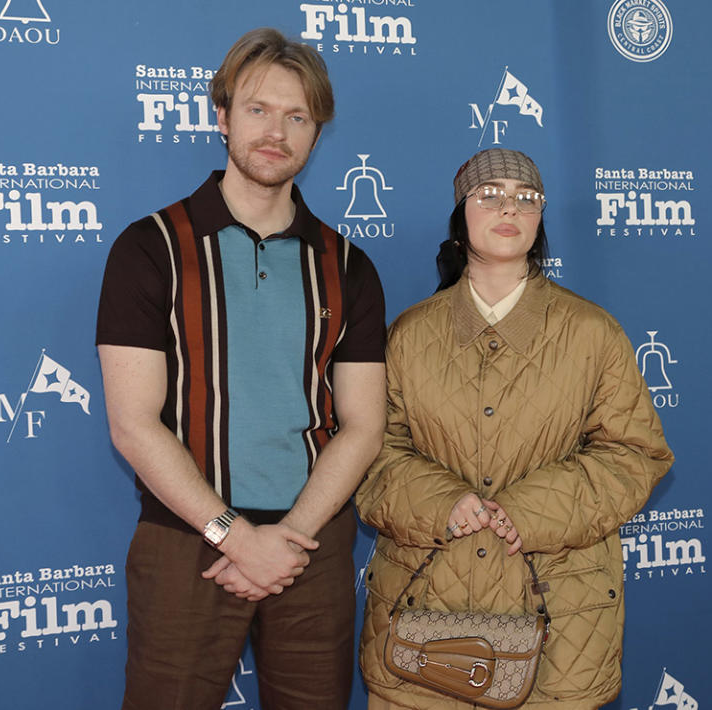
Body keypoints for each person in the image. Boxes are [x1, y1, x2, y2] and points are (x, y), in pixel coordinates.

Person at [96, 28, 387, 710]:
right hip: (184, 543)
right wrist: (233, 535)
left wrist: (289, 539)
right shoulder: (151, 248)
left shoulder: (348, 267)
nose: (276, 132)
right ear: (221, 116)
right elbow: (133, 425)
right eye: (258, 109)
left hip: (310, 549)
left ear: (316, 134)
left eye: (298, 117)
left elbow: (364, 425)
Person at [355, 148, 674, 709]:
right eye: (489, 195)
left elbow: (635, 454)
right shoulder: (408, 335)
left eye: (526, 199)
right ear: (460, 216)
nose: (509, 208)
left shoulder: (593, 333)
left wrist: (529, 511)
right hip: (425, 618)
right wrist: (442, 502)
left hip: (560, 629)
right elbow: (370, 450)